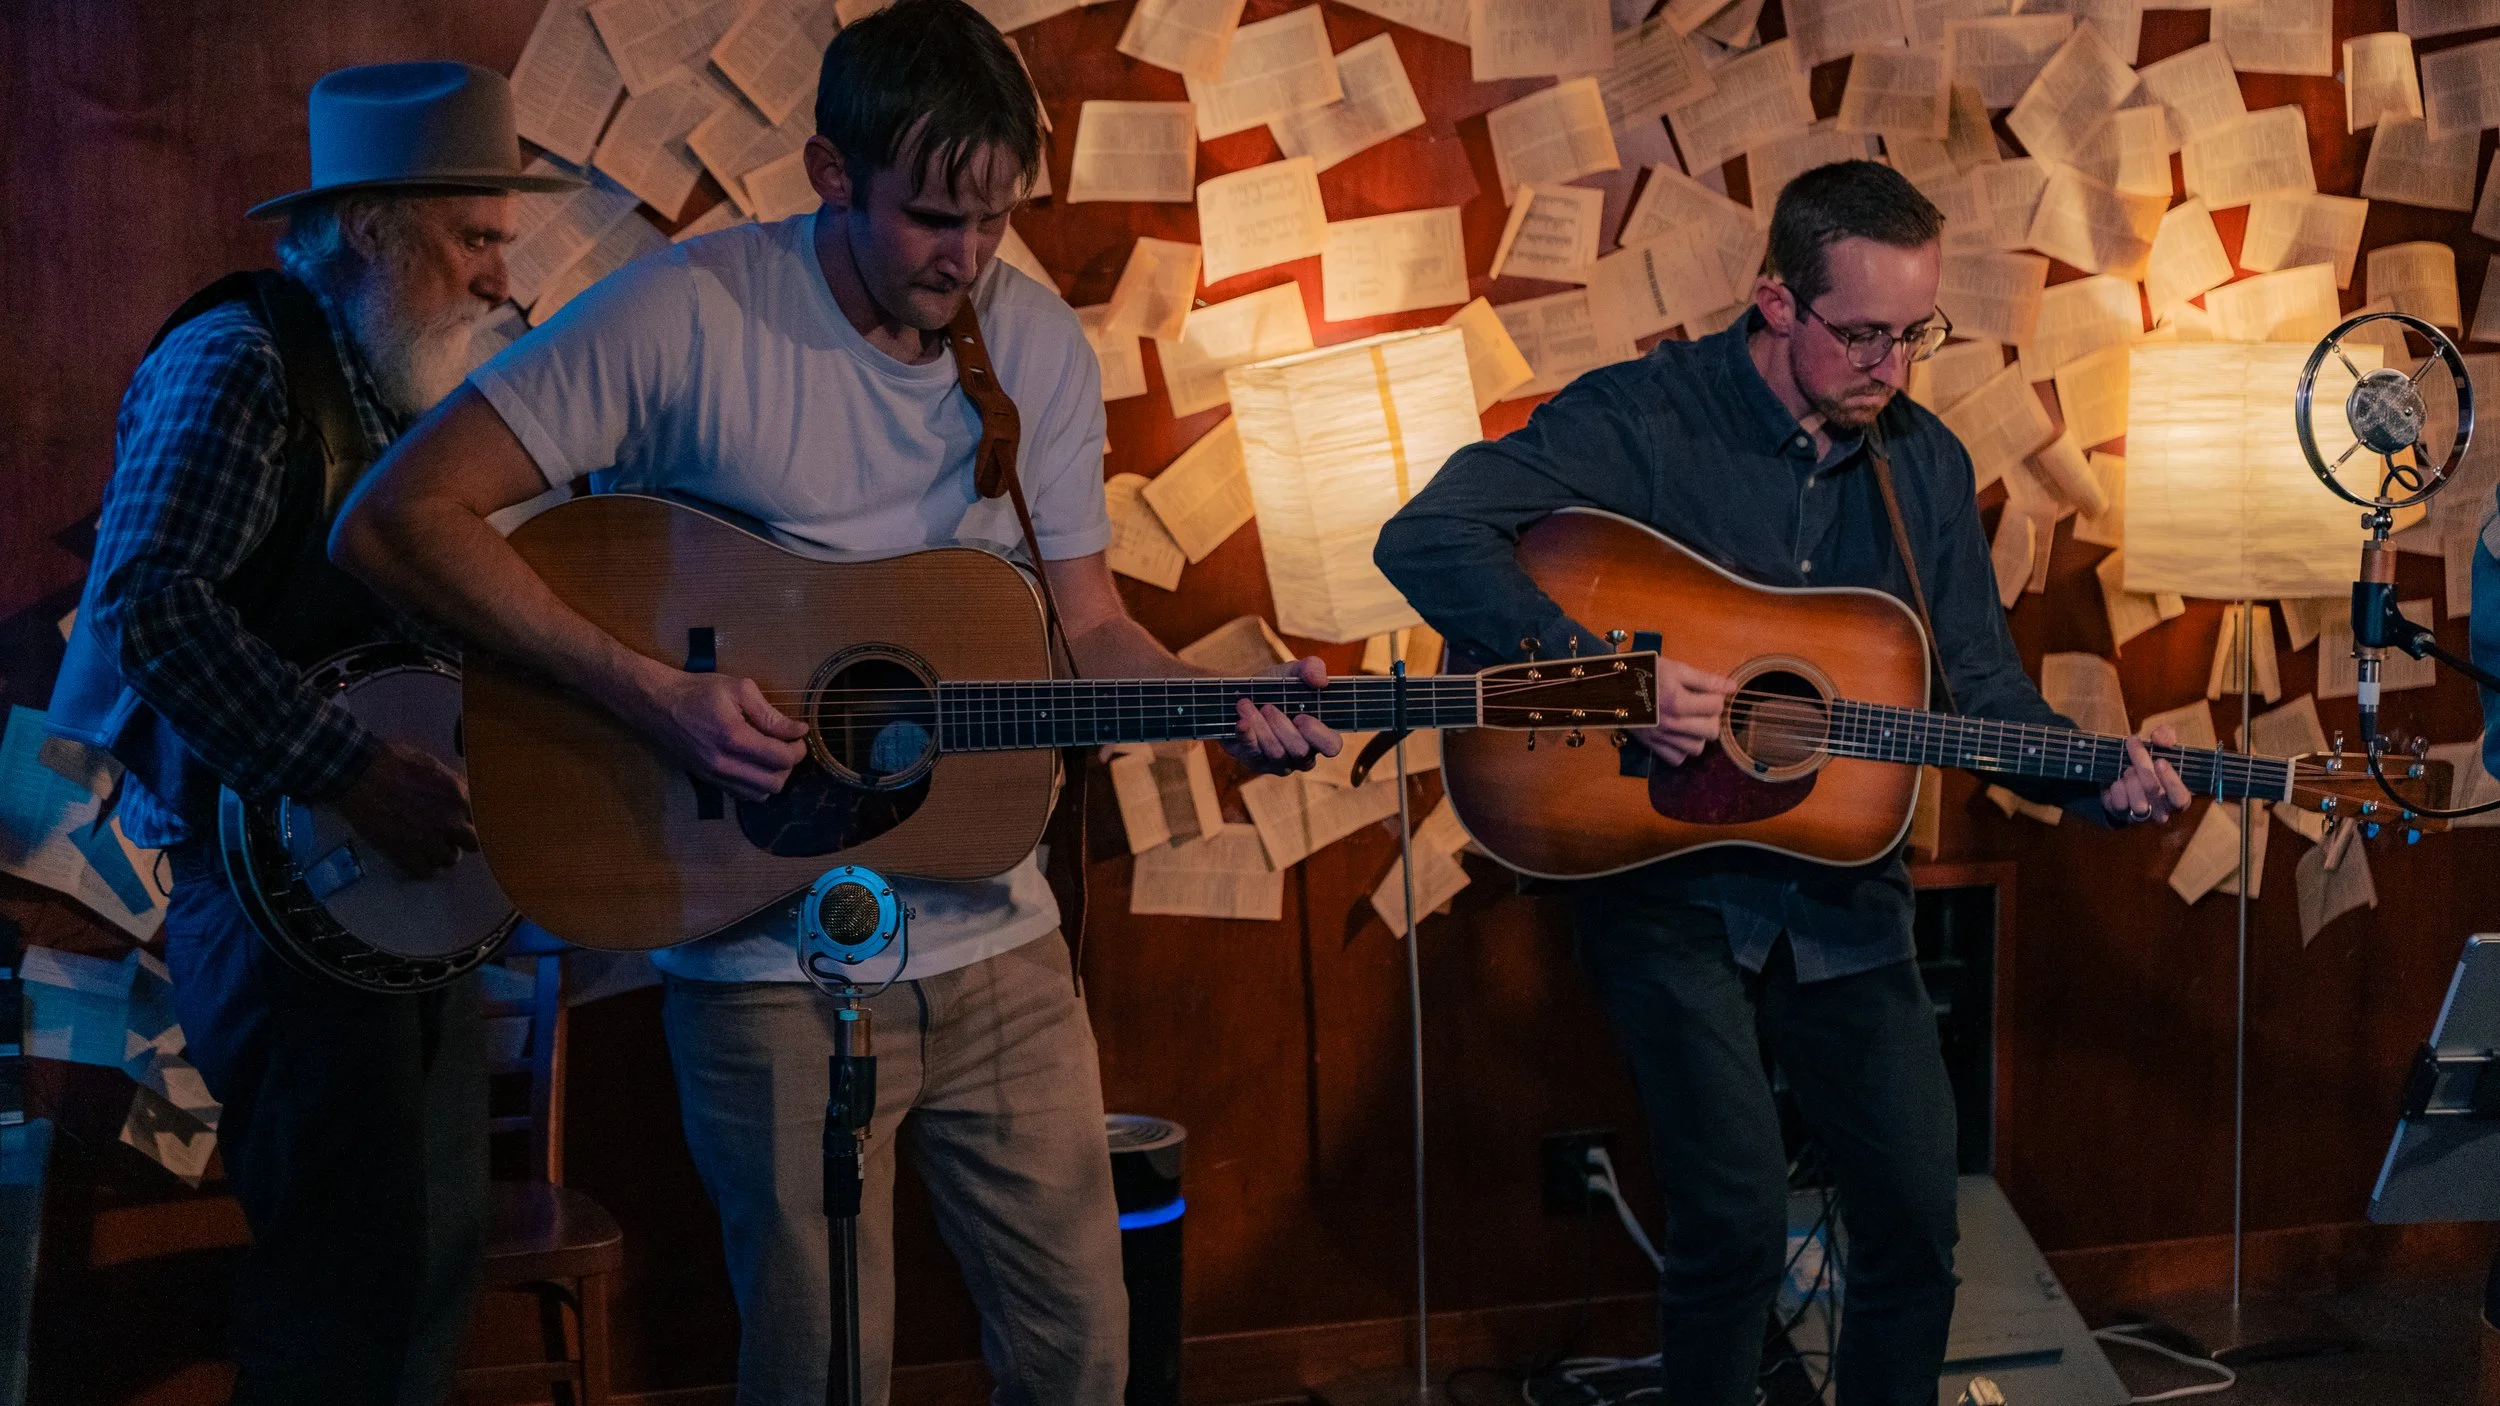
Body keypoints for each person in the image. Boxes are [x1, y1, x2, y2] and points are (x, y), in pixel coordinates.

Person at [328, 3, 1339, 1401]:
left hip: (1001, 947)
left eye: (994, 220)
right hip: (764, 962)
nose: (967, 259)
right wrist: (655, 693)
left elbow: (1093, 626)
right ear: (827, 173)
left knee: (1083, 1357)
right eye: (933, 217)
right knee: (821, 1375)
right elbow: (397, 519)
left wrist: (1223, 703)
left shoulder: (1031, 346)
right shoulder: (689, 315)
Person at [1374, 161, 2190, 1405]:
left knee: (1918, 1218)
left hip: (1840, 890)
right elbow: (1423, 535)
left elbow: (1980, 692)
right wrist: (1608, 679)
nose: (1891, 367)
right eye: (1861, 333)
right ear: (1774, 301)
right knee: (1735, 1225)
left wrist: (2094, 782)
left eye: (1914, 334)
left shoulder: (1923, 468)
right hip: (1665, 885)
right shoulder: (1640, 419)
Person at [47, 62, 568, 1403]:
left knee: (423, 1260)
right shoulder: (239, 362)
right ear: (368, 226)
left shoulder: (417, 378)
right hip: (274, 913)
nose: (501, 280)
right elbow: (148, 608)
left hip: (404, 898)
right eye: (474, 239)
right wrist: (348, 767)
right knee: (348, 1280)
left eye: (505, 244)